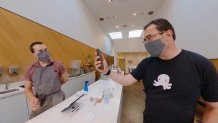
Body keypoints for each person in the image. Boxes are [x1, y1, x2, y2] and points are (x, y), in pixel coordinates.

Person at [95, 18, 218, 123]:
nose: (147, 43)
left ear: (168, 35)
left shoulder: (201, 65)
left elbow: (214, 108)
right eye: (145, 40)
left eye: (149, 37)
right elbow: (126, 80)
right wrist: (106, 71)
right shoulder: (146, 64)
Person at [24, 41, 68, 119]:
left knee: (58, 118)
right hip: (40, 100)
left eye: (46, 50)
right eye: (40, 51)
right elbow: (28, 89)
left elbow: (65, 79)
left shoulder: (58, 65)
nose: (44, 52)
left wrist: (55, 86)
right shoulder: (30, 69)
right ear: (34, 54)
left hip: (56, 98)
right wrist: (33, 99)